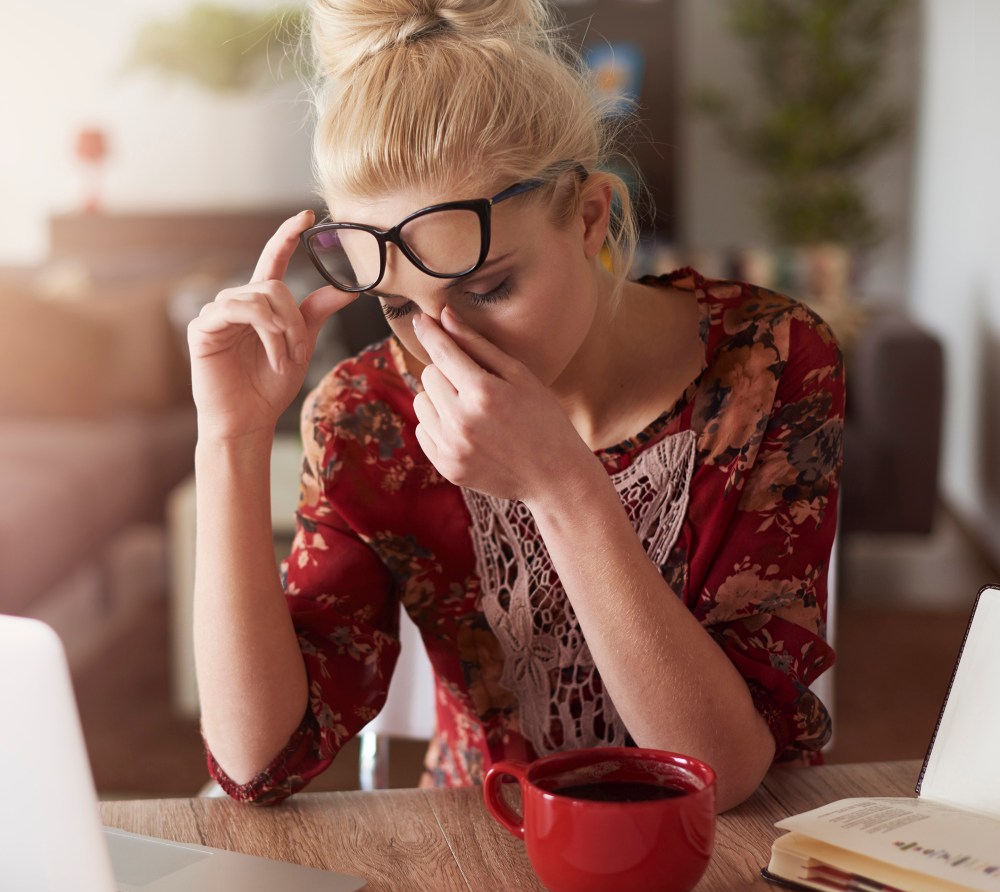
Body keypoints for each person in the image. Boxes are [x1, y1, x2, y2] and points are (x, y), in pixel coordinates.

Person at [188, 0, 844, 813]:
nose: (446, 346)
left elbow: (723, 773)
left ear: (590, 218)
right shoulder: (369, 416)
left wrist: (562, 487)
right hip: (485, 851)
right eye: (399, 306)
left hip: (729, 871)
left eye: (490, 287)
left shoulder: (768, 363)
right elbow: (257, 765)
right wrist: (231, 437)